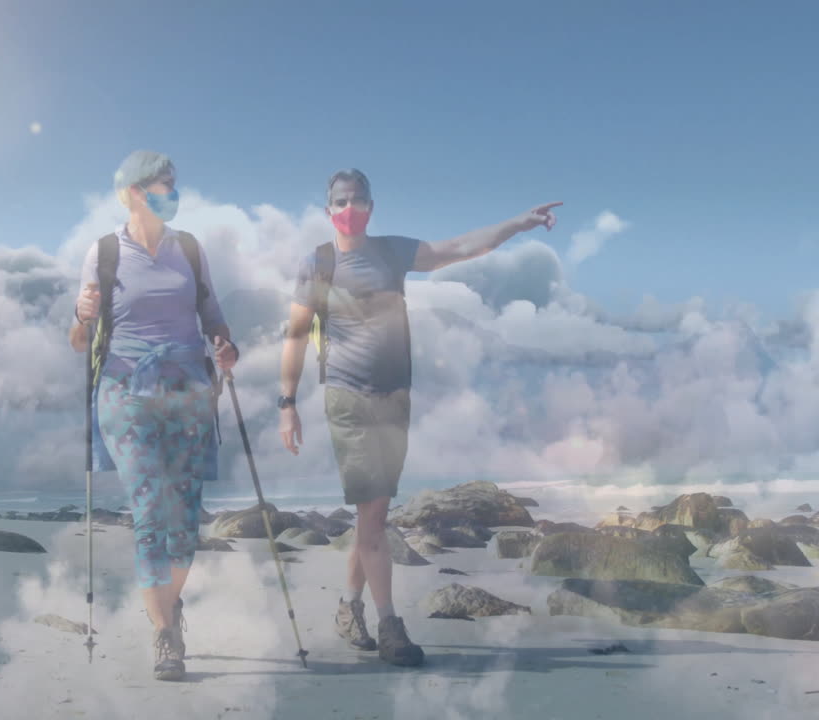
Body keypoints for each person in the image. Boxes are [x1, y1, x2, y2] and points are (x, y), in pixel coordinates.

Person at [277, 168, 561, 666]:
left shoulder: (391, 252)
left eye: (357, 200)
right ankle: (390, 626)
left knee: (373, 517)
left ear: (370, 206)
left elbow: (460, 247)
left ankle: (348, 609)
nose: (349, 208)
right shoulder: (318, 263)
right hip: (349, 400)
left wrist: (517, 223)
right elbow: (297, 335)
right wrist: (286, 403)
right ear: (328, 211)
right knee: (372, 518)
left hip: (395, 399)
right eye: (340, 201)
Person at [69, 150, 239, 682]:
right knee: (148, 512)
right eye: (163, 184)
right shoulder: (103, 253)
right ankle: (165, 633)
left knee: (185, 522)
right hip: (126, 392)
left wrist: (225, 344)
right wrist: (82, 316)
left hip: (189, 390)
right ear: (135, 192)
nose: (173, 191)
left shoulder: (188, 248)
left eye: (174, 184)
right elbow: (79, 341)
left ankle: (168, 604)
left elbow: (211, 314)